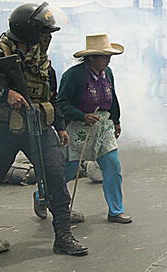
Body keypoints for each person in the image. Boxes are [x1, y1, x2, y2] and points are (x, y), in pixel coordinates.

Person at [0, 2, 89, 256]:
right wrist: (4, 94)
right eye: (44, 32)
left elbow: (51, 97)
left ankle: (63, 237)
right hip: (3, 132)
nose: (47, 38)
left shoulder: (44, 64)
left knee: (56, 181)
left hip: (39, 130)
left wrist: (60, 127)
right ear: (28, 32)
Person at [52, 33, 132, 224]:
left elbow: (112, 98)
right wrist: (82, 115)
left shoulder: (108, 73)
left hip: (103, 126)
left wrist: (116, 120)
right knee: (69, 171)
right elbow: (61, 103)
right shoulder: (73, 76)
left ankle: (115, 210)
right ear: (91, 57)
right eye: (104, 56)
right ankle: (43, 196)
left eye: (109, 56)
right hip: (79, 127)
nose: (108, 60)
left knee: (113, 166)